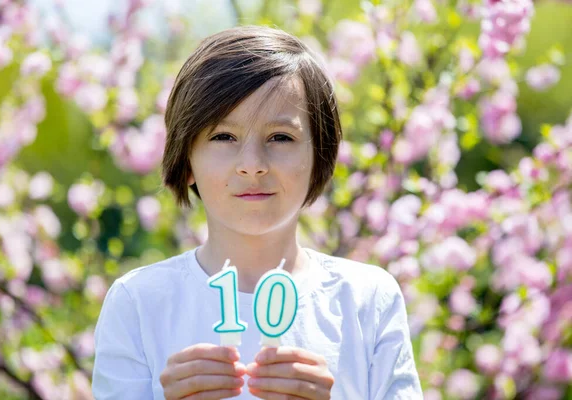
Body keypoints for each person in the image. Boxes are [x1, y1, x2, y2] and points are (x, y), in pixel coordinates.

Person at [92, 25, 423, 400]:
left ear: (320, 157)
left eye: (281, 137)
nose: (252, 165)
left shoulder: (368, 300)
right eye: (223, 137)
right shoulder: (137, 302)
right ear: (186, 160)